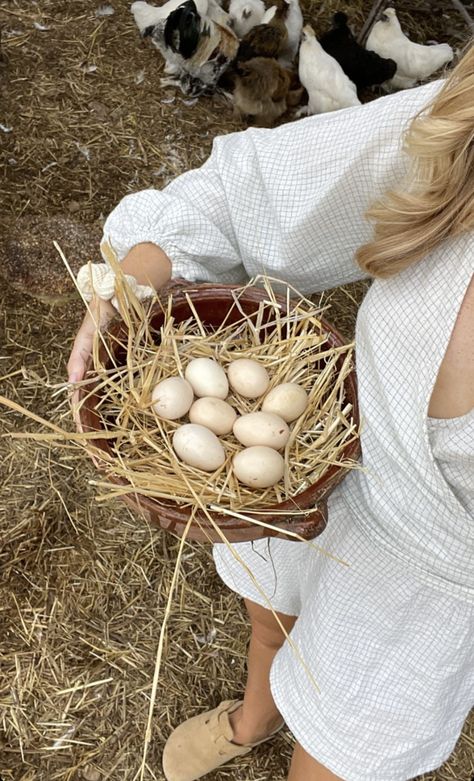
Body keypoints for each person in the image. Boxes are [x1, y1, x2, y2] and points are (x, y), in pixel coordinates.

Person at [68, 43, 474, 781]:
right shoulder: (462, 133)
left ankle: (300, 735)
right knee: (271, 611)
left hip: (425, 593)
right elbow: (264, 190)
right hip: (313, 462)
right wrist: (134, 279)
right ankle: (256, 716)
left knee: (334, 751)